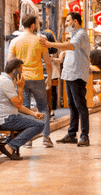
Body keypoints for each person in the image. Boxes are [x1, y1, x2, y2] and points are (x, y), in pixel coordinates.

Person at [8, 14, 54, 147]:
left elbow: (10, 62)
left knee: (25, 108)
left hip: (22, 79)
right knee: (43, 107)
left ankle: (27, 140)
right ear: (33, 25)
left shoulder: (15, 41)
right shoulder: (40, 41)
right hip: (37, 78)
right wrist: (49, 78)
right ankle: (46, 137)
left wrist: (17, 77)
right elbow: (48, 62)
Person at [0, 59, 44, 160]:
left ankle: (8, 145)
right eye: (20, 70)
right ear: (15, 71)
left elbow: (17, 106)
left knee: (31, 122)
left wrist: (33, 114)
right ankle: (9, 147)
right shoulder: (6, 82)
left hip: (4, 118)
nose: (22, 73)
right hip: (4, 120)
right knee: (39, 125)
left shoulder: (3, 79)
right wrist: (21, 88)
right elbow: (18, 104)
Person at [55, 12, 92, 147]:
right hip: (69, 75)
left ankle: (84, 136)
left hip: (77, 75)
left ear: (75, 22)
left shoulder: (81, 34)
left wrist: (50, 44)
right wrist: (62, 55)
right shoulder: (74, 35)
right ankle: (71, 134)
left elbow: (71, 46)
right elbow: (71, 50)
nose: (66, 24)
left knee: (80, 106)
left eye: (68, 21)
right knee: (72, 106)